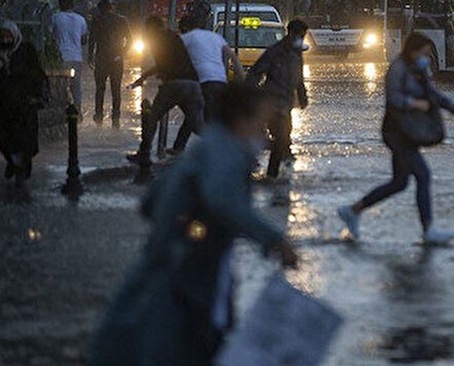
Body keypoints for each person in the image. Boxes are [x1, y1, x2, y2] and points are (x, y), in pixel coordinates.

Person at [89, 83, 299, 366]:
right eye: (260, 124)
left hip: (167, 272)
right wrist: (275, 239)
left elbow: (150, 203)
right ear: (240, 120)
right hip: (190, 279)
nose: (264, 136)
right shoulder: (227, 152)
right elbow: (222, 200)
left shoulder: (205, 147)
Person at [337, 32, 454, 245]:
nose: (427, 57)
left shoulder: (419, 69)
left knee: (399, 183)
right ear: (413, 50)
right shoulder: (398, 69)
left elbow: (433, 95)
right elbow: (393, 98)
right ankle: (428, 229)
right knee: (423, 175)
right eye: (424, 53)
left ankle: (352, 210)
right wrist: (414, 103)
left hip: (409, 132)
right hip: (396, 132)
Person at [127, 17, 204, 166]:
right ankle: (227, 151)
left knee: (153, 117)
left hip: (174, 84)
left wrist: (154, 78)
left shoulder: (157, 40)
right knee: (198, 124)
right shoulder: (175, 37)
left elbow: (163, 65)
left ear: (151, 29)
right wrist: (143, 78)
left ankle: (144, 153)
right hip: (193, 84)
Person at [245, 19, 310, 179]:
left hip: (286, 105)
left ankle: (279, 174)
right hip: (271, 103)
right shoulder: (274, 52)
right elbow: (256, 72)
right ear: (290, 34)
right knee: (280, 137)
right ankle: (267, 172)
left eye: (303, 36)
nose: (300, 39)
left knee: (284, 139)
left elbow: (299, 78)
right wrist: (249, 95)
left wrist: (302, 97)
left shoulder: (297, 53)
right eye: (299, 35)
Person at [170, 15, 245, 154]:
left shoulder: (186, 38)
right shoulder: (215, 37)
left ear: (185, 28)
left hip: (203, 82)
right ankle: (178, 147)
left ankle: (223, 149)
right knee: (197, 113)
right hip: (220, 81)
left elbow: (168, 59)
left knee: (204, 117)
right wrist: (241, 78)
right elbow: (233, 57)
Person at [0, 20, 48, 201]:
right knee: (5, 139)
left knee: (24, 141)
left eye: (8, 36)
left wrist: (37, 95)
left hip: (25, 105)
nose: (5, 39)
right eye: (2, 36)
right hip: (4, 106)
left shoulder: (26, 50)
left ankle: (20, 171)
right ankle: (13, 162)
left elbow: (37, 73)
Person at [88, 0, 132, 127]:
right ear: (111, 7)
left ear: (100, 9)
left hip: (101, 58)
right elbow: (130, 40)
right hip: (117, 59)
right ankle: (116, 116)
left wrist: (90, 57)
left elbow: (92, 40)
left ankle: (98, 115)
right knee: (116, 88)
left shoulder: (97, 21)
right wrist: (122, 53)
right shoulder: (122, 20)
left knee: (100, 89)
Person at [51, 0, 88, 116]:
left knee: (61, 86)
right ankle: (78, 113)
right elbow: (84, 39)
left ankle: (62, 112)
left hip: (61, 57)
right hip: (76, 58)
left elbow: (50, 35)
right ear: (73, 5)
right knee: (76, 87)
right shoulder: (81, 19)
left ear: (60, 5)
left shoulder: (55, 18)